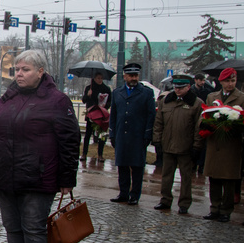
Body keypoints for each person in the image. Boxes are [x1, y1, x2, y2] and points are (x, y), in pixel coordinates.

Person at [0, 49, 80, 243]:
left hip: (38, 176)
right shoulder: (8, 97)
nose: (19, 74)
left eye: (25, 69)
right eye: (17, 69)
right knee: (12, 227)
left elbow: (69, 141)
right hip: (6, 174)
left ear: (40, 71)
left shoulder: (57, 101)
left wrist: (67, 178)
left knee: (33, 228)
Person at [152, 75, 204, 215]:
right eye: (176, 87)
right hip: (168, 145)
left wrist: (196, 146)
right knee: (166, 175)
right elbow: (158, 123)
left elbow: (198, 128)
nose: (178, 90)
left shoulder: (196, 103)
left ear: (188, 87)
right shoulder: (166, 101)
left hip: (186, 147)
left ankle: (184, 203)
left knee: (186, 177)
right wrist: (157, 140)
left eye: (181, 87)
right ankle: (165, 200)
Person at [109, 63, 156, 205]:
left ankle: (134, 195)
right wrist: (112, 133)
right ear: (125, 77)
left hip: (138, 135)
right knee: (122, 165)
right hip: (121, 134)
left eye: (135, 75)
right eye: (131, 76)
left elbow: (150, 115)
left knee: (137, 167)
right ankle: (123, 193)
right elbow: (114, 115)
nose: (133, 78)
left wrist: (148, 134)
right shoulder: (117, 93)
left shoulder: (146, 93)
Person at [203, 68, 244, 223]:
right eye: (227, 81)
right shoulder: (211, 96)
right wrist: (208, 124)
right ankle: (214, 208)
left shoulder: (241, 98)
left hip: (231, 145)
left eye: (232, 81)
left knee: (228, 179)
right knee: (214, 178)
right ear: (220, 82)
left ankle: (226, 210)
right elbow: (205, 115)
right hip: (214, 143)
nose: (230, 84)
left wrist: (235, 125)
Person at [80, 72, 112, 161]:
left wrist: (105, 106)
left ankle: (100, 155)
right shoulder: (89, 88)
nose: (99, 80)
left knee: (102, 136)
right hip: (91, 114)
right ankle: (84, 153)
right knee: (87, 135)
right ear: (94, 78)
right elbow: (84, 100)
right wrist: (88, 95)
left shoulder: (106, 89)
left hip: (101, 115)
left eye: (101, 78)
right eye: (98, 78)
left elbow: (110, 101)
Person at [192, 74, 213, 174]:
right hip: (193, 118)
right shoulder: (191, 91)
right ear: (196, 80)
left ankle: (201, 166)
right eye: (200, 80)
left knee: (202, 145)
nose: (202, 82)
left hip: (203, 119)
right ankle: (193, 164)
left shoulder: (207, 92)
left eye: (203, 80)